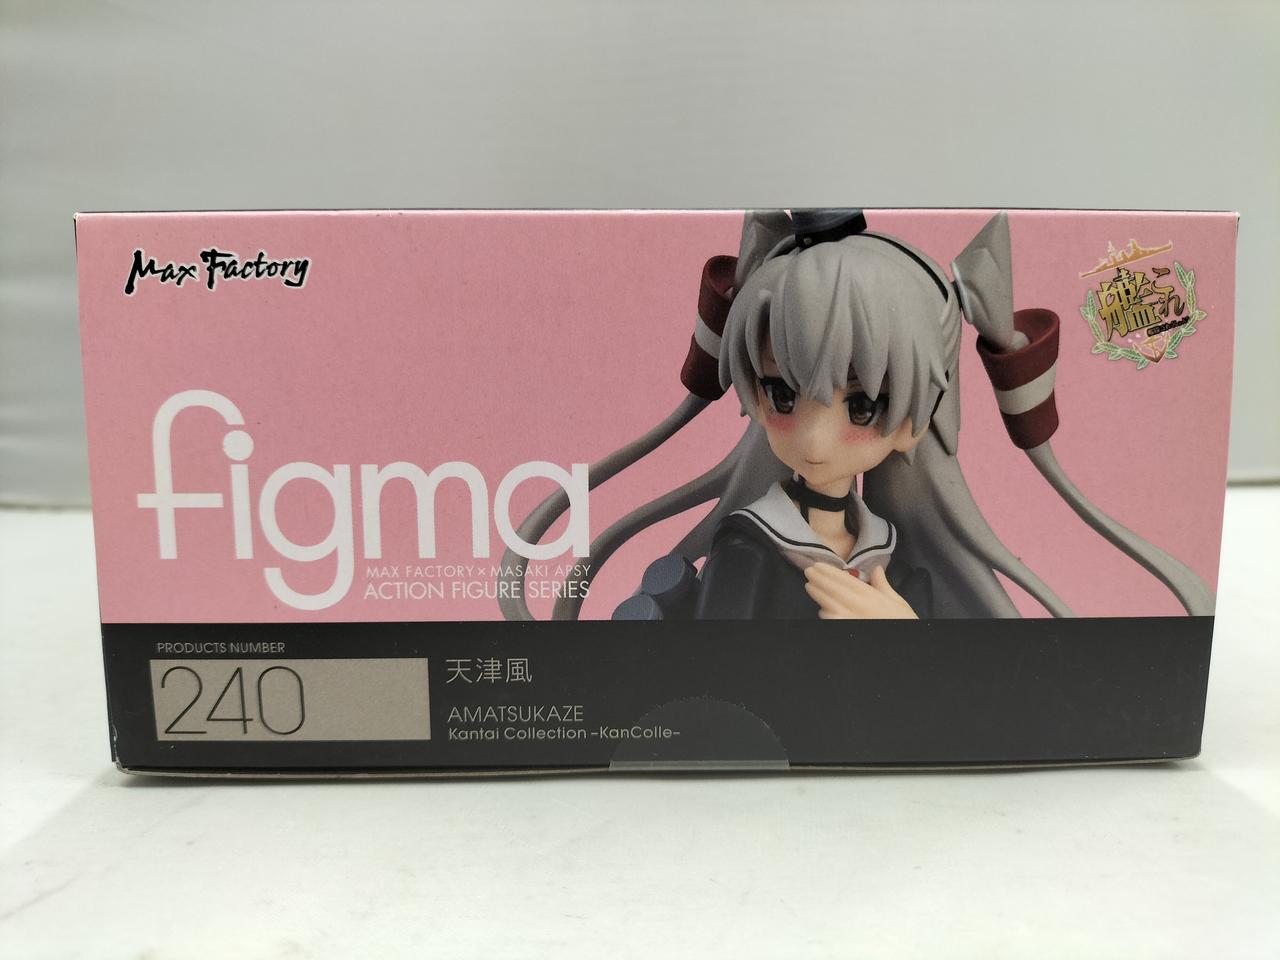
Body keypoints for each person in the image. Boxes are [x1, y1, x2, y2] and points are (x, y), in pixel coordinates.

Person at [497, 209, 1213, 621]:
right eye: (782, 396)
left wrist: (902, 638)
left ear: (916, 419)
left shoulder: (896, 556)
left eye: (863, 406)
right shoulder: (748, 547)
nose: (813, 439)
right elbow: (729, 687)